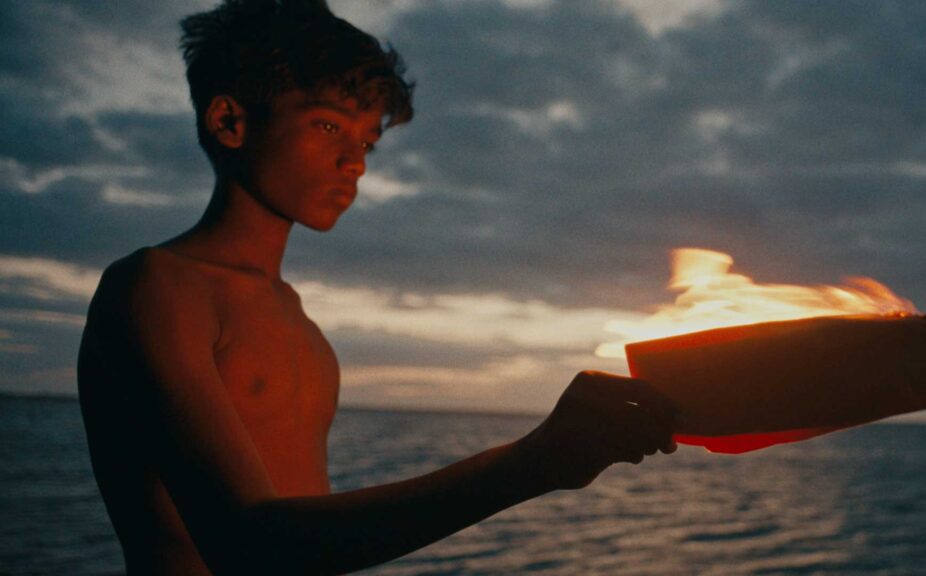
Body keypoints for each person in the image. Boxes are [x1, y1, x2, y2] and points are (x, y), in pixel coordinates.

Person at [76, 1, 680, 573]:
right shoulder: (157, 286)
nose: (356, 161)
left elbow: (308, 527)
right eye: (328, 125)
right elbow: (245, 543)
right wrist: (531, 463)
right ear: (231, 120)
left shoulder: (302, 327)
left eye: (366, 140)